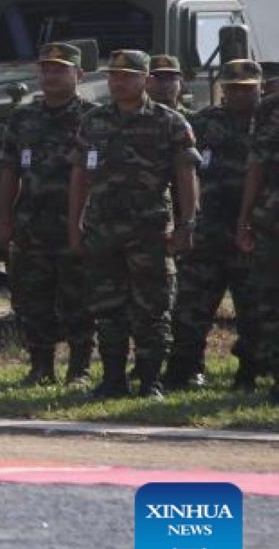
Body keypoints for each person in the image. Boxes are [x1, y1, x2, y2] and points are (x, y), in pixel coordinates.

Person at [69, 50, 198, 400]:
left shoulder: (168, 121)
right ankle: (112, 380)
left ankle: (150, 381)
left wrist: (187, 224)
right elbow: (80, 176)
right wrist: (75, 225)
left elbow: (186, 175)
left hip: (150, 231)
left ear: (146, 80)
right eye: (113, 76)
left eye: (126, 75)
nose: (118, 82)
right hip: (103, 230)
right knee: (107, 309)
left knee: (152, 310)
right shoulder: (93, 122)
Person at [0, 42, 96, 385]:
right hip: (31, 224)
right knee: (32, 299)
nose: (51, 76)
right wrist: (5, 219)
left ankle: (79, 369)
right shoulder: (23, 117)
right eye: (46, 69)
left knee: (78, 298)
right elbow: (9, 170)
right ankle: (41, 367)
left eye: (60, 69)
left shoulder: (93, 118)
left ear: (79, 75)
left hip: (77, 224)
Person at [170, 58, 264, 391]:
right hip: (206, 232)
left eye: (246, 89)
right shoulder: (202, 123)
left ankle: (249, 372)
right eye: (233, 88)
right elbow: (180, 169)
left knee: (254, 310)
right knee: (191, 307)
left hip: (252, 234)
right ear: (222, 88)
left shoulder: (268, 124)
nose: (239, 94)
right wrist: (183, 221)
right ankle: (186, 370)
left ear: (259, 88)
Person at [237, 73, 279, 404]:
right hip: (272, 221)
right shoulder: (269, 109)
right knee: (271, 303)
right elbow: (257, 166)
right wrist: (245, 218)